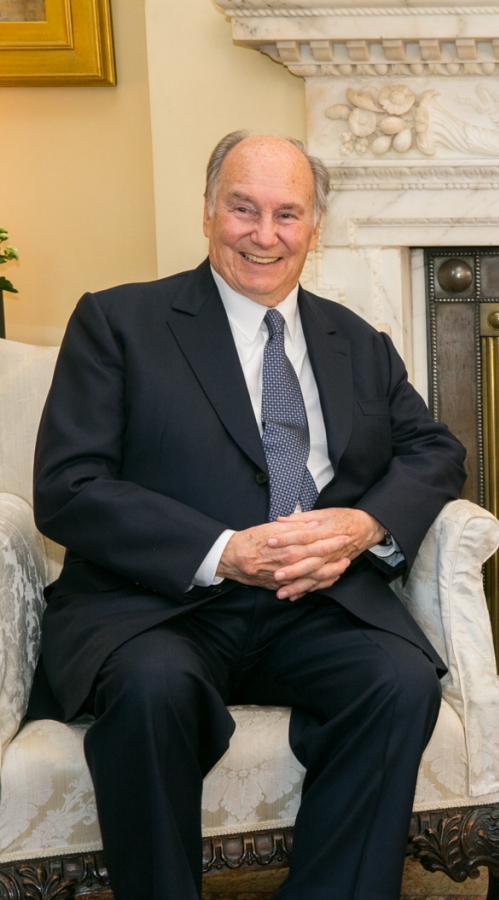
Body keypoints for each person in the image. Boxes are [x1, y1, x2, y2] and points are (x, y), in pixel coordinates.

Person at [28, 131, 468, 900]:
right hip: (159, 607)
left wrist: (365, 527)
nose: (265, 236)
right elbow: (68, 485)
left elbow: (436, 451)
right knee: (152, 689)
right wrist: (223, 551)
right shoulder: (119, 323)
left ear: (313, 228)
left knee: (399, 681)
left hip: (312, 603)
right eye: (244, 209)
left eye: (287, 215)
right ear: (207, 213)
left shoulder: (358, 342)